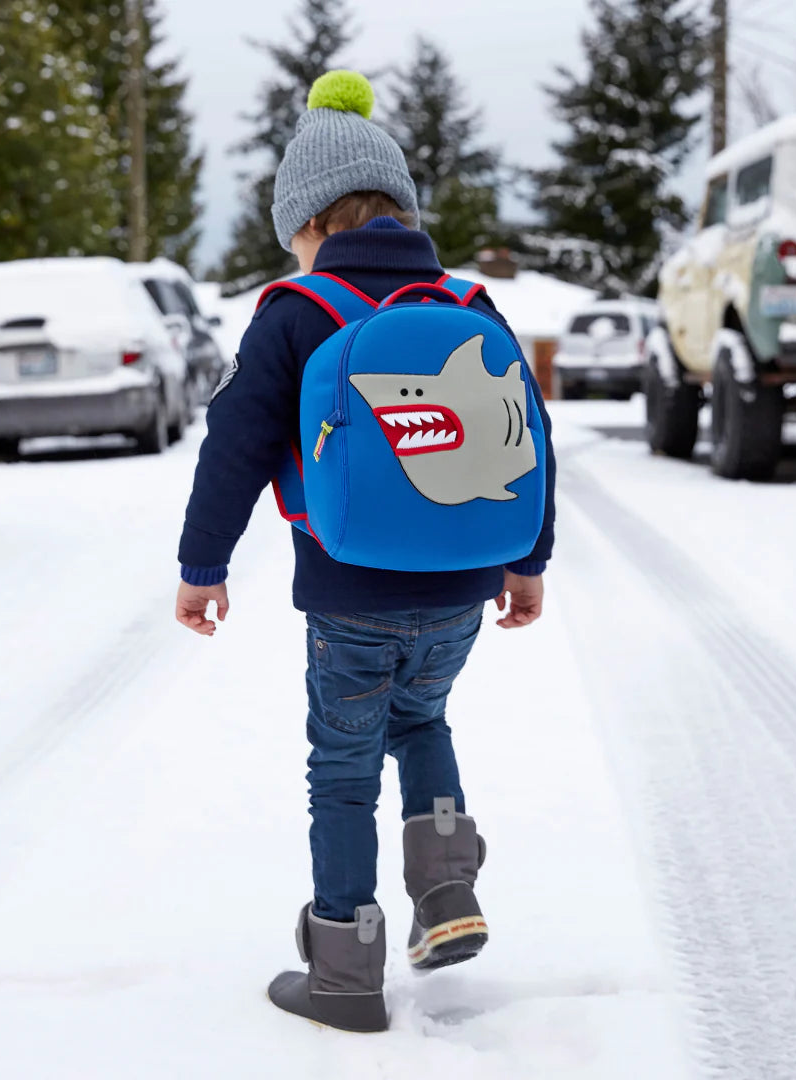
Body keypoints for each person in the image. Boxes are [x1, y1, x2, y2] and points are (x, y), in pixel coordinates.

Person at [175, 70, 556, 1033]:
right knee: (422, 722)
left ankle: (345, 970)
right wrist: (528, 559)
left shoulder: (296, 311)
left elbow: (234, 447)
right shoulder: (468, 300)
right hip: (463, 585)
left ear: (307, 224)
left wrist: (201, 566)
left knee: (342, 770)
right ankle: (446, 892)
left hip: (347, 591)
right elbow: (529, 436)